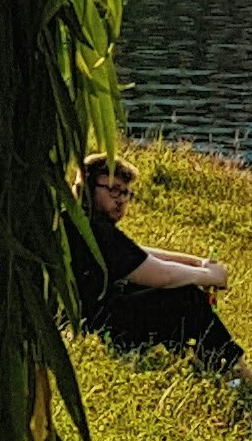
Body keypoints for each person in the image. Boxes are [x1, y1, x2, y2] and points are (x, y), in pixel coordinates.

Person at [80, 156, 242, 373]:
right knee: (185, 297)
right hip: (99, 327)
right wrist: (212, 277)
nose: (120, 200)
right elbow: (162, 275)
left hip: (91, 320)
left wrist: (197, 263)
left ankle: (197, 359)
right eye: (113, 190)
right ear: (88, 188)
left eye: (126, 193)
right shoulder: (99, 230)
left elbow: (138, 254)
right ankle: (234, 371)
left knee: (155, 292)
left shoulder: (85, 224)